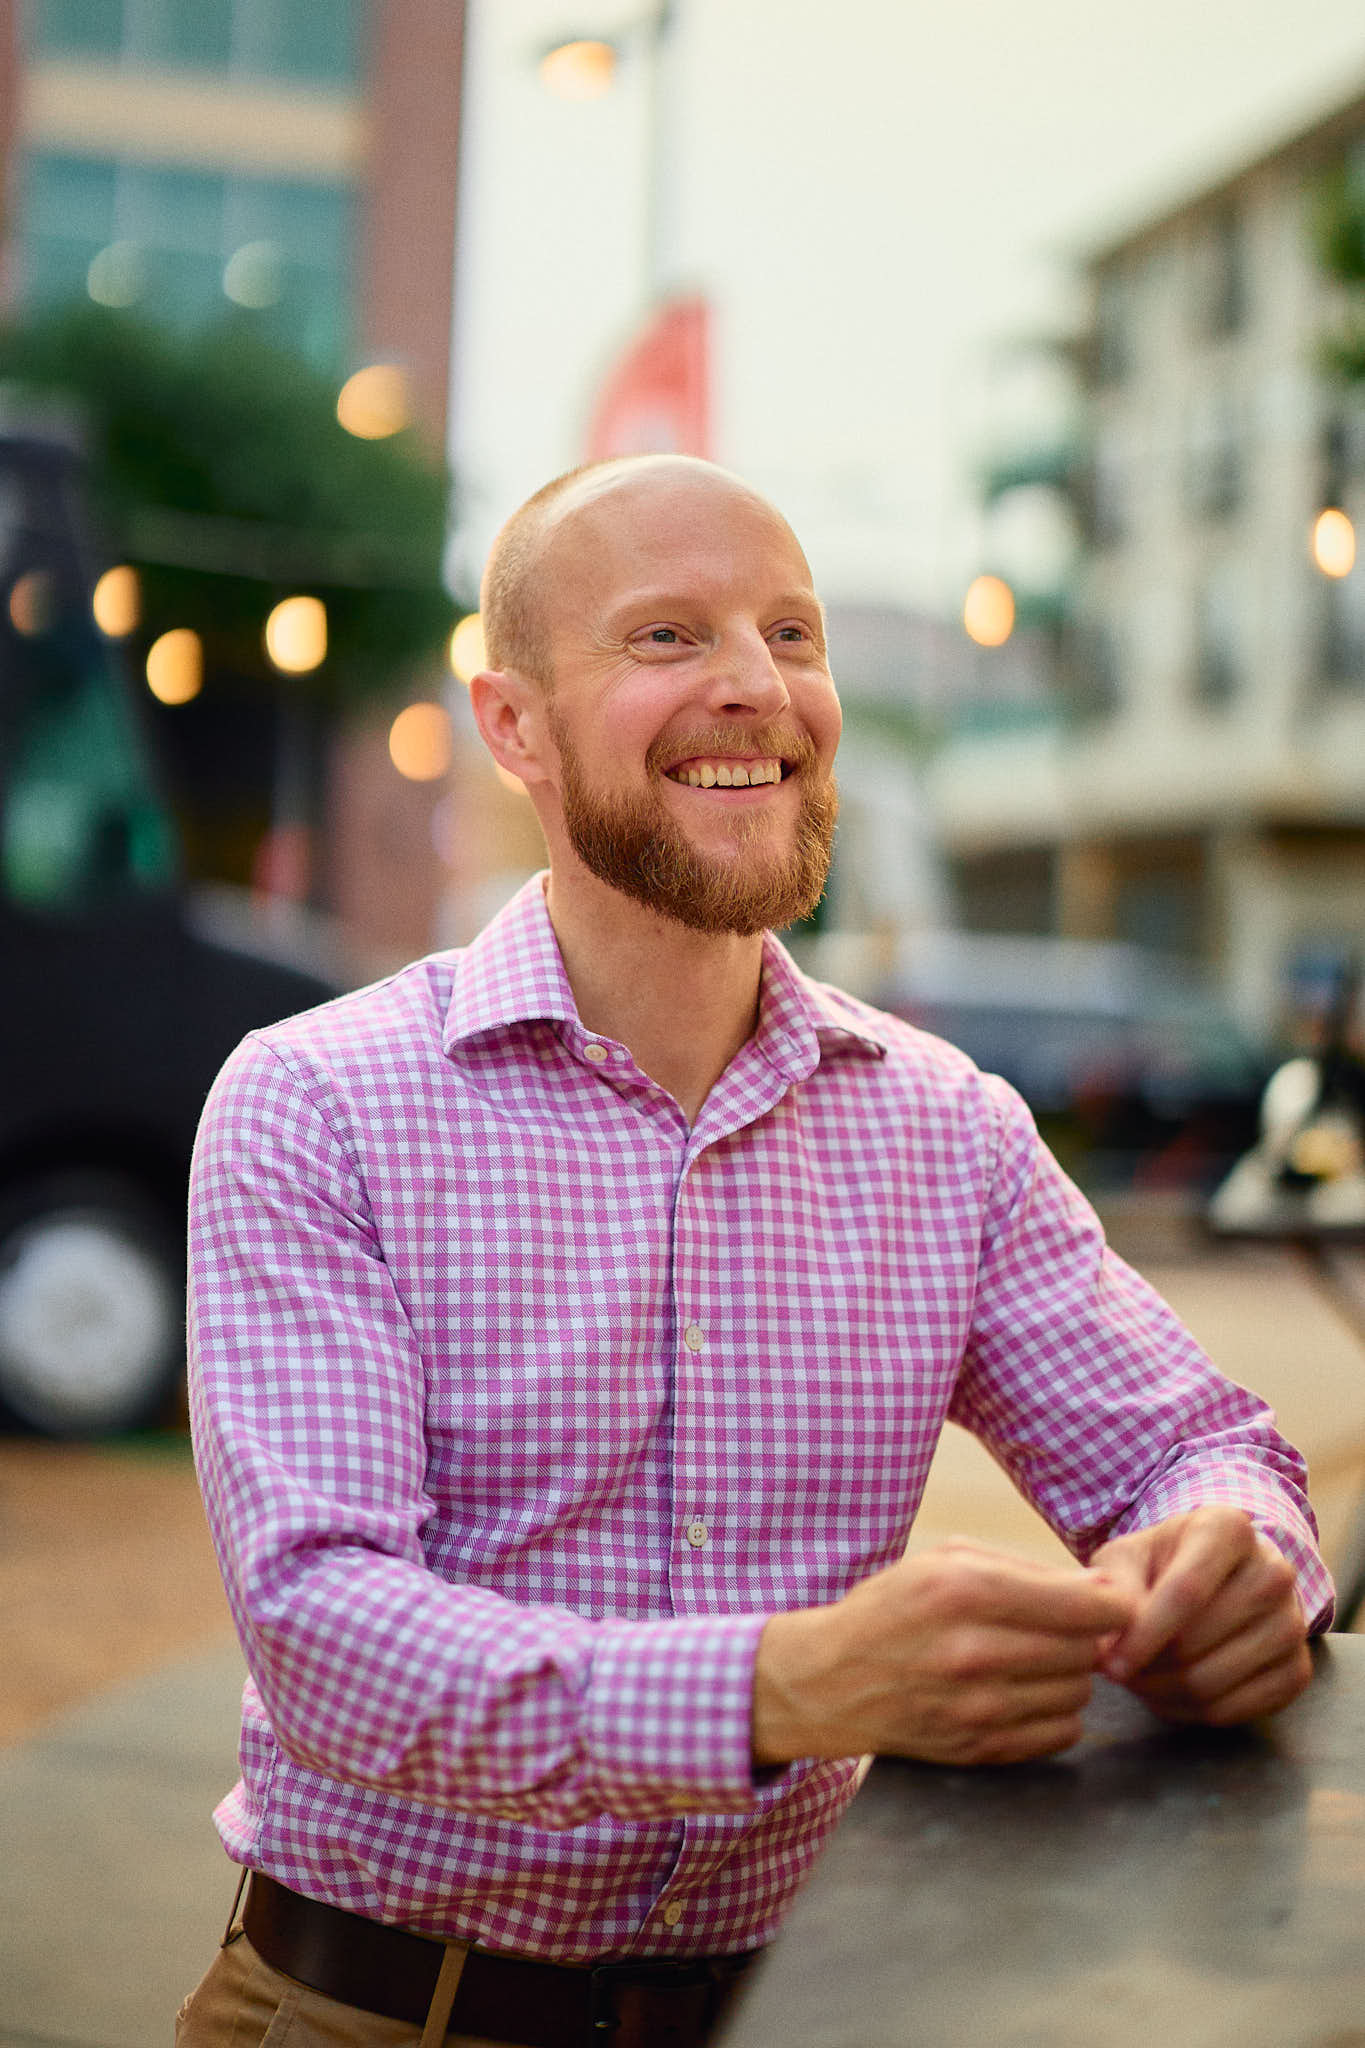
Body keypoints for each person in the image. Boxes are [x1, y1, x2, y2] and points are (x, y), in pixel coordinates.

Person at [178, 454, 1333, 2048]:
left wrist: (1230, 1567)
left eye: (791, 633)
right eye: (667, 637)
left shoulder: (946, 1129)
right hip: (372, 2015)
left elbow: (1196, 1452)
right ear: (512, 723)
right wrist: (786, 1687)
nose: (755, 687)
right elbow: (323, 1630)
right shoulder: (315, 1102)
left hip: (800, 2012)